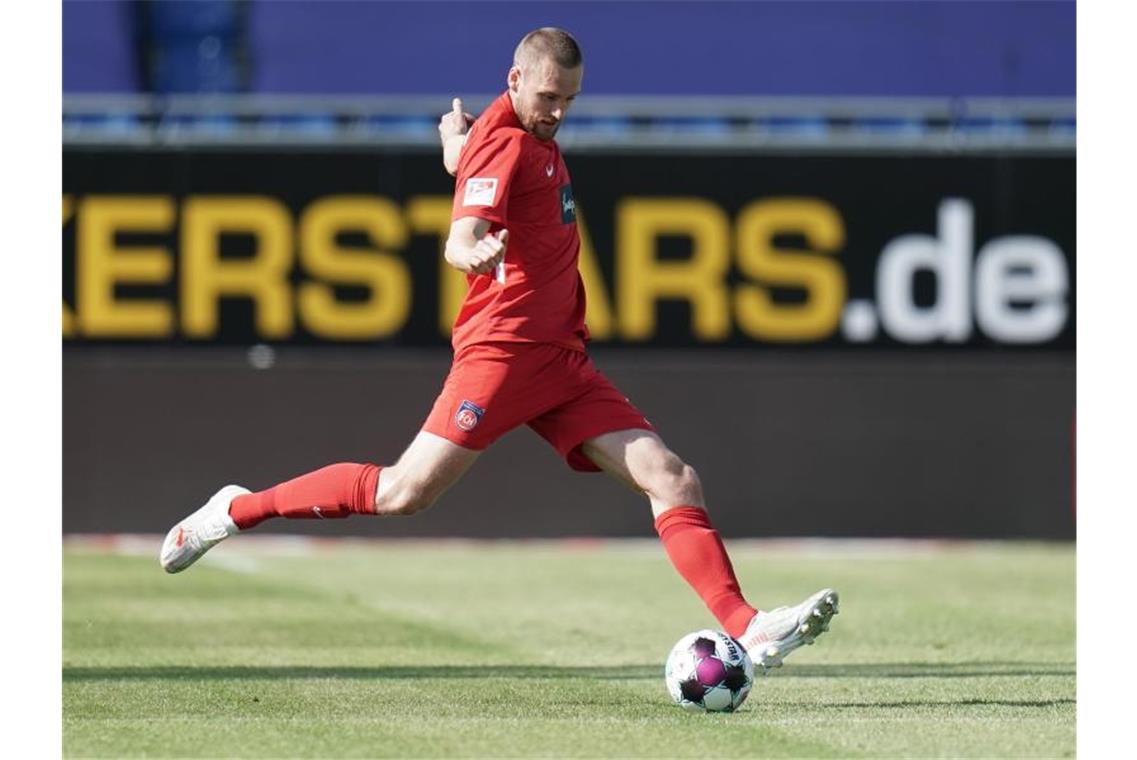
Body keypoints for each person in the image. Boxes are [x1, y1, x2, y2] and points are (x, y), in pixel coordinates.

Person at [159, 27, 838, 672]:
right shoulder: (507, 143)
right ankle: (235, 509)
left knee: (672, 477)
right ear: (515, 79)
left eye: (569, 100)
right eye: (547, 97)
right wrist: (468, 245)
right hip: (503, 354)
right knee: (403, 493)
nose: (557, 113)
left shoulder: (508, 137)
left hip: (562, 362)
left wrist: (457, 148)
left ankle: (746, 625)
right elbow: (462, 231)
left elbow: (476, 163)